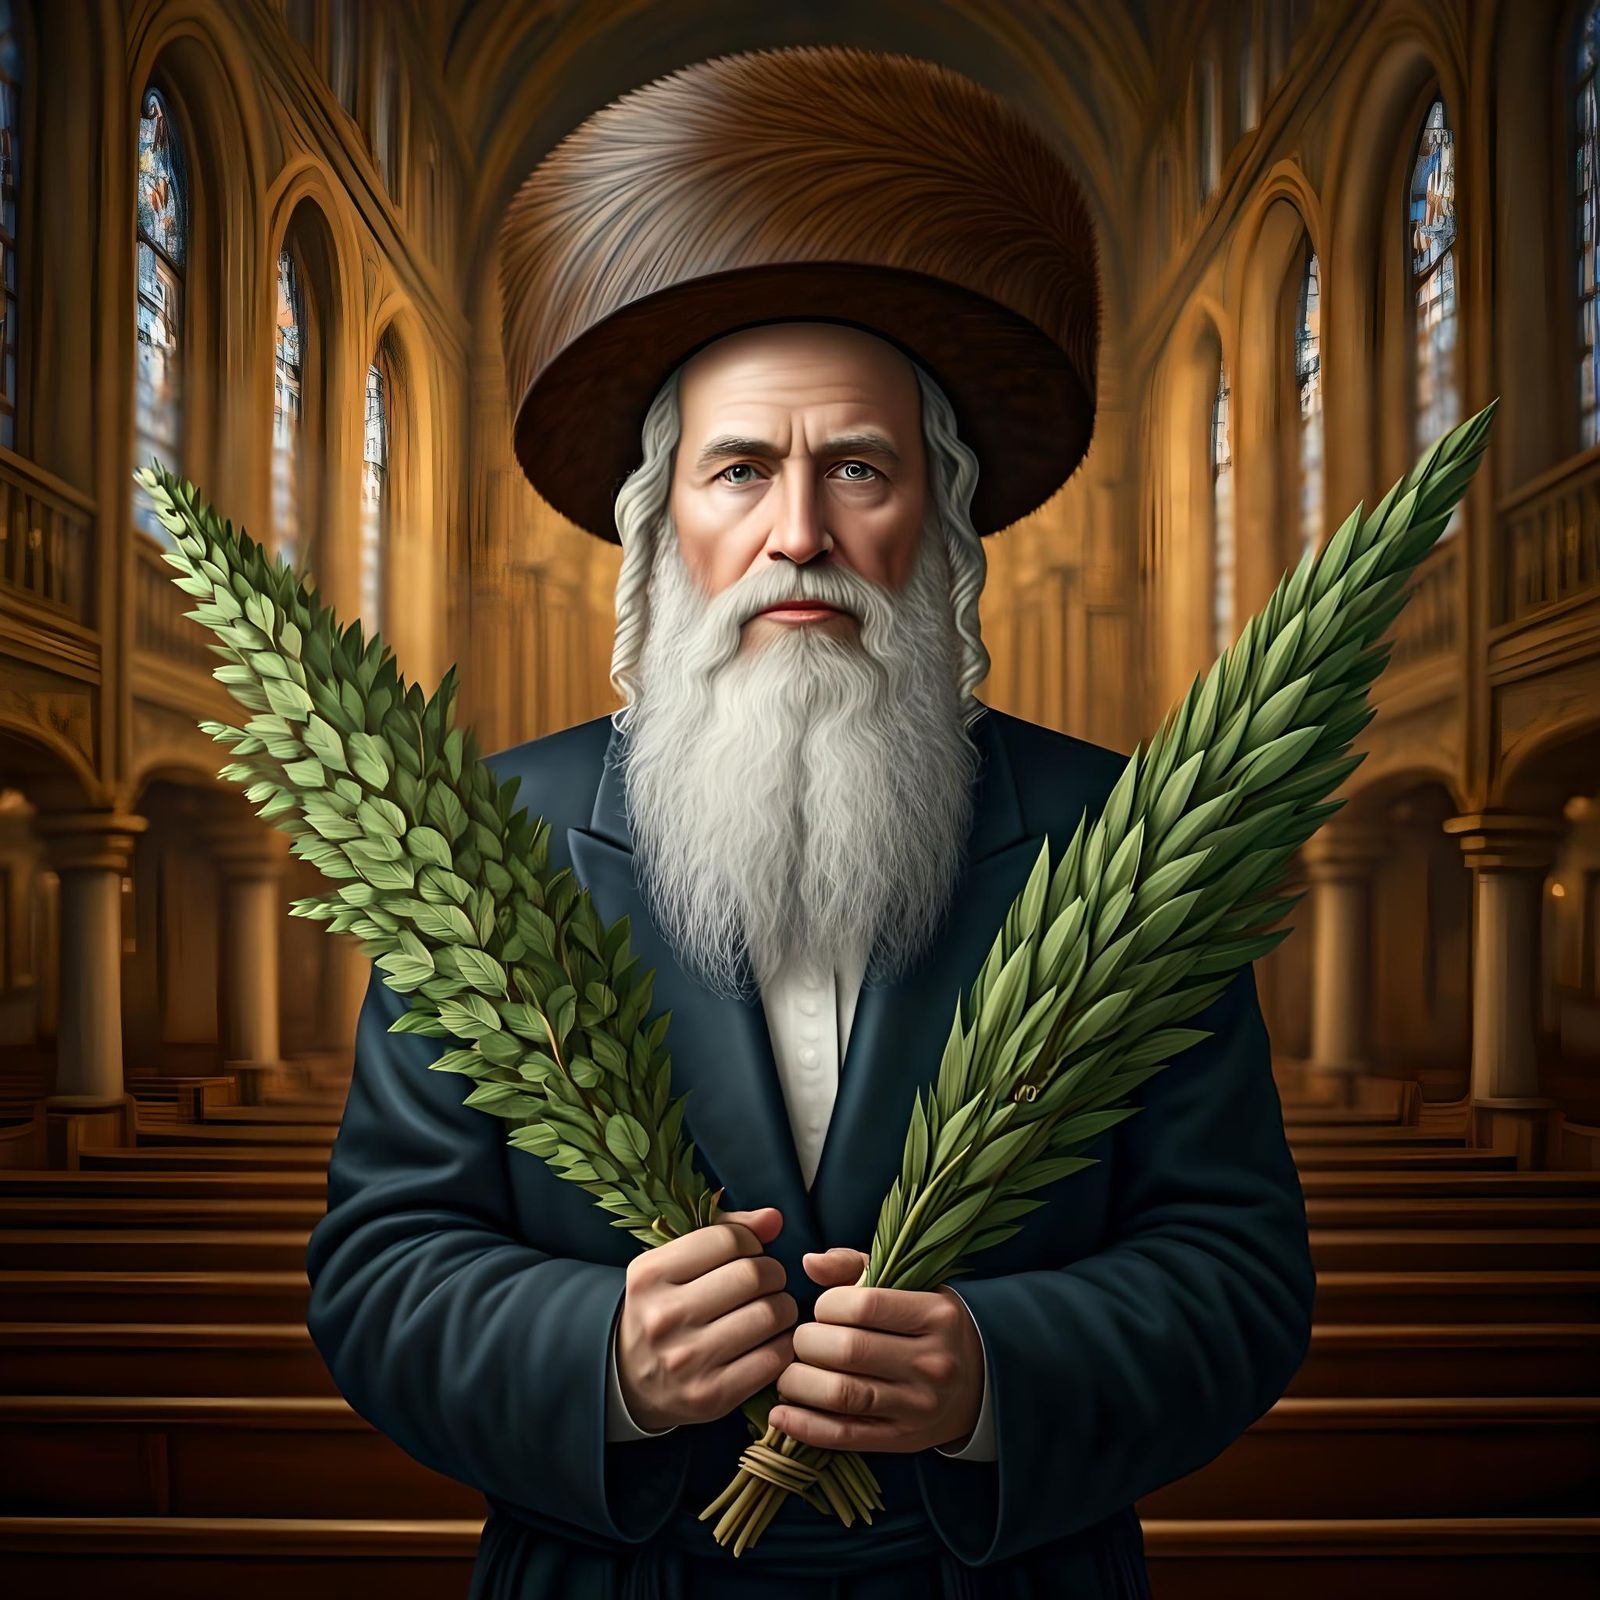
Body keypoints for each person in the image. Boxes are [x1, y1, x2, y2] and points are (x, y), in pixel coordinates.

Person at [304, 45, 1316, 1600]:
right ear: (660, 531)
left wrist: (993, 1374)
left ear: (937, 521)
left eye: (858, 466)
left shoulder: (1117, 832)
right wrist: (604, 1359)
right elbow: (380, 1273)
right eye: (740, 470)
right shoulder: (484, 835)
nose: (800, 535)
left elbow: (1239, 1275)